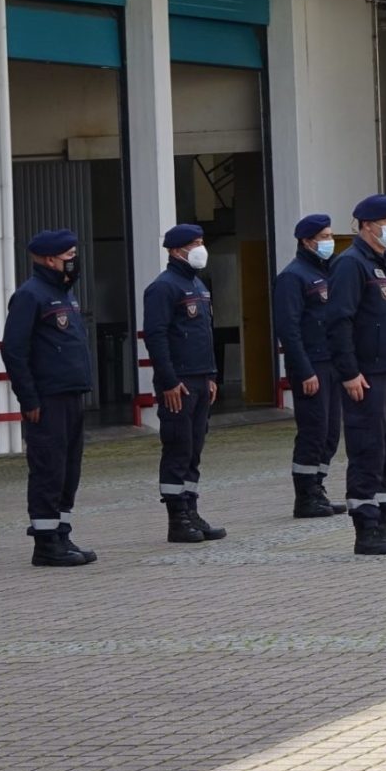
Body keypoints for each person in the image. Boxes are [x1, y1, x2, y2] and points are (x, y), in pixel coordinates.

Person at [326, 195, 386, 555]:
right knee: (368, 449)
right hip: (369, 374)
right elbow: (339, 321)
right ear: (367, 225)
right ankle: (365, 527)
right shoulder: (351, 264)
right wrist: (349, 372)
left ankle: (384, 516)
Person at [2, 228, 95, 567]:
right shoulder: (31, 295)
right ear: (49, 259)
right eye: (68, 256)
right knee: (48, 468)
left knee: (69, 469)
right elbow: (13, 349)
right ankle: (45, 544)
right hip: (47, 398)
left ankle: (62, 533)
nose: (74, 262)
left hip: (70, 394)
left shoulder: (64, 293)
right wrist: (29, 399)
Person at [144, 224, 225, 543]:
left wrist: (211, 376)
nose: (200, 248)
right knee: (178, 449)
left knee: (194, 450)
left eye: (202, 242)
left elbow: (205, 335)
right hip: (178, 383)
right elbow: (156, 336)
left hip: (200, 379)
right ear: (176, 250)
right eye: (194, 243)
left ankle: (191, 510)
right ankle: (177, 518)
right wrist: (168, 381)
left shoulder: (197, 285)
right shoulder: (163, 288)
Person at [274, 213, 349, 518]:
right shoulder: (293, 277)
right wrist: (303, 370)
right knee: (313, 430)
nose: (329, 242)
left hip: (332, 362)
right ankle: (305, 496)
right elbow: (289, 329)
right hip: (311, 365)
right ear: (306, 241)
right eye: (324, 237)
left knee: (331, 431)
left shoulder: (329, 272)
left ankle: (317, 486)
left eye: (331, 236)